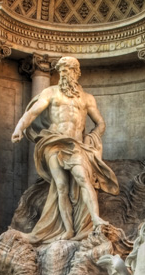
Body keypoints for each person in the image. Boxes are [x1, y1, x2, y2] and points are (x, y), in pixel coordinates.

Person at [11, 56, 120, 243]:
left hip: (75, 145)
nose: (63, 74)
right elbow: (33, 112)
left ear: (76, 72)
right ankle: (68, 230)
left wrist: (92, 137)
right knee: (61, 186)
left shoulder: (87, 98)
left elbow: (100, 123)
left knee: (83, 179)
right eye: (61, 71)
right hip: (53, 142)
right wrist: (19, 128)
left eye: (67, 70)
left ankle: (95, 219)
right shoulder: (51, 92)